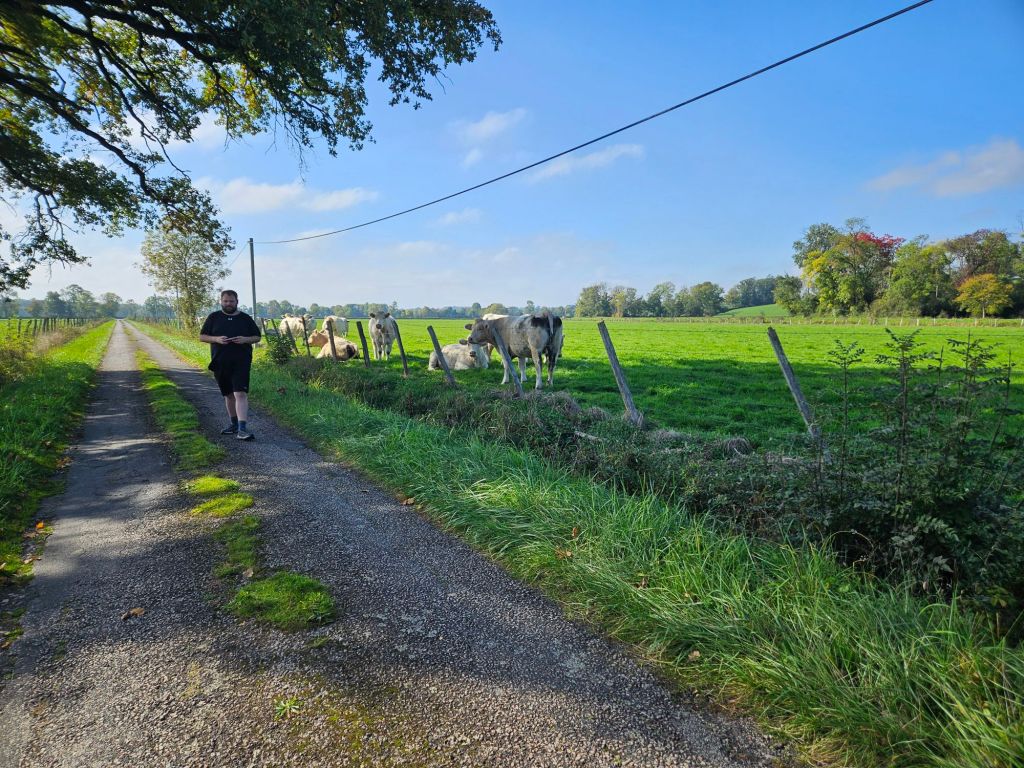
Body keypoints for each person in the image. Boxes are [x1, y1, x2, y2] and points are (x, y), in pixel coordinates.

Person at [198, 290, 262, 441]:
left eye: (231, 301)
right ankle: (234, 424)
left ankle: (242, 429)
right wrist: (216, 339)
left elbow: (257, 337)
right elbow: (202, 336)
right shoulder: (214, 317)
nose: (228, 304)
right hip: (220, 362)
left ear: (237, 301)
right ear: (221, 301)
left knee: (240, 393)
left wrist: (244, 339)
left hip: (241, 361)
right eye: (225, 301)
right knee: (228, 394)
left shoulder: (245, 318)